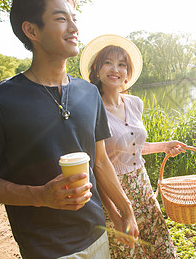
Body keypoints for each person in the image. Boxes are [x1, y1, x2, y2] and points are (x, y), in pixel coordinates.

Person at [0, 0, 138, 258]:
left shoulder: (89, 93)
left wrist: (125, 211)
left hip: (96, 236)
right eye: (61, 19)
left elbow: (100, 161)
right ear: (31, 30)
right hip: (45, 248)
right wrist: (40, 196)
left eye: (74, 18)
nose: (74, 27)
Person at [79, 34, 187, 258]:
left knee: (161, 247)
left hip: (143, 187)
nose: (114, 69)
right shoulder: (90, 110)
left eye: (121, 64)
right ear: (97, 70)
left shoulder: (135, 103)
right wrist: (116, 215)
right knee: (128, 252)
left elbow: (131, 147)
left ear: (128, 73)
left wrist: (165, 146)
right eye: (108, 62)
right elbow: (97, 166)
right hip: (115, 193)